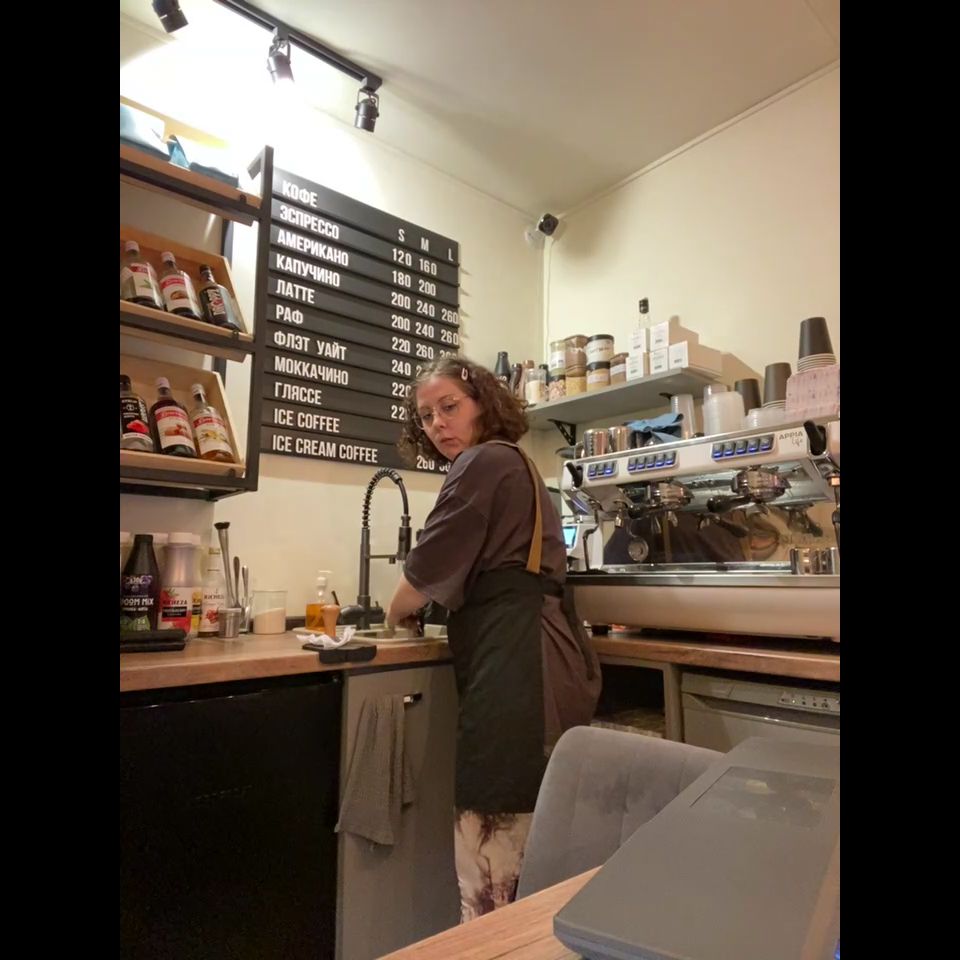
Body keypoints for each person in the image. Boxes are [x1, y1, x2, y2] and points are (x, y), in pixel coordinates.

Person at [387, 356, 601, 923]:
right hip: (544, 656)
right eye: (426, 416)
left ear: (483, 402)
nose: (438, 423)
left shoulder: (482, 462)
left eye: (449, 406)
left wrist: (392, 613)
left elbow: (418, 580)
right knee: (530, 854)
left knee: (490, 865)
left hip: (517, 668)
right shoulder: (517, 464)